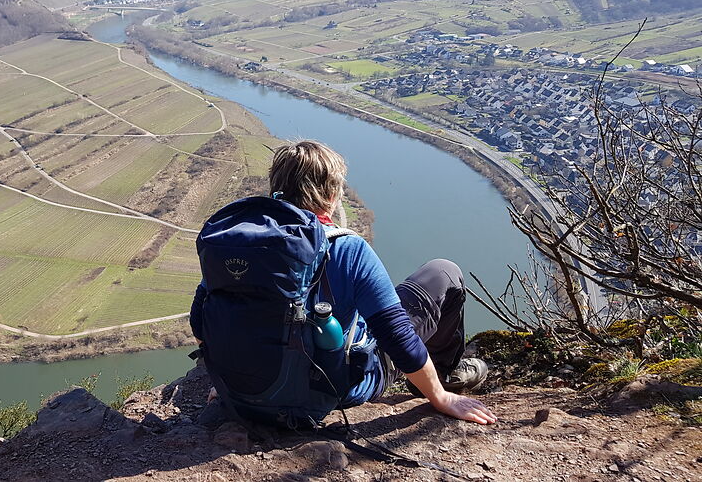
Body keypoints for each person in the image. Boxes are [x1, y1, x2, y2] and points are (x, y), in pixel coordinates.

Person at [190, 140, 496, 425]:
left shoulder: (238, 244)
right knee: (443, 272)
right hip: (329, 391)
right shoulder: (347, 248)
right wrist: (440, 399)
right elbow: (396, 336)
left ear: (276, 187)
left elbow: (200, 321)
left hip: (243, 393)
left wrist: (229, 380)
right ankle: (444, 377)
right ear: (332, 195)